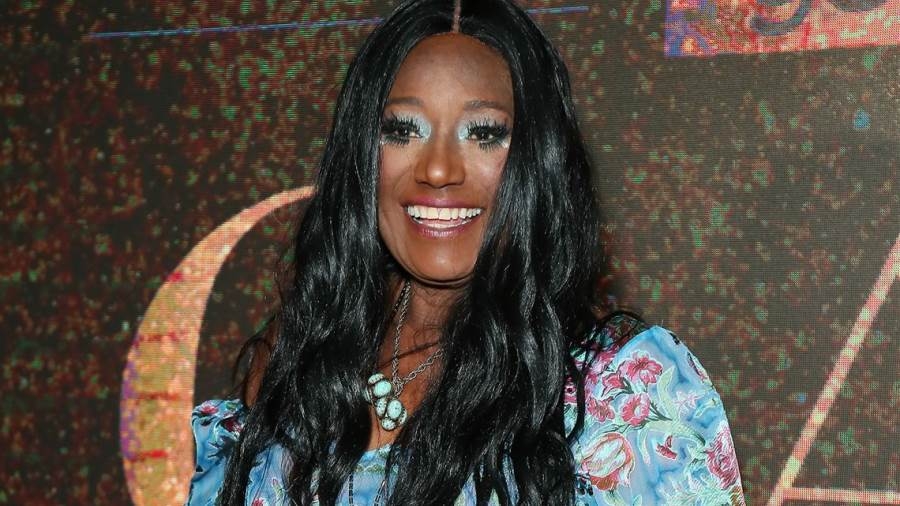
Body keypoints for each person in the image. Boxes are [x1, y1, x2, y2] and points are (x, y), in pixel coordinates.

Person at [186, 0, 746, 504]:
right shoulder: (294, 373)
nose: (436, 169)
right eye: (402, 130)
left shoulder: (624, 393)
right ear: (362, 154)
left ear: (536, 160)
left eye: (483, 134)